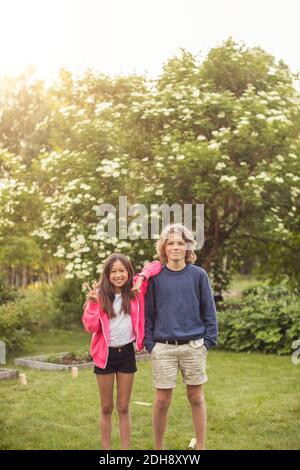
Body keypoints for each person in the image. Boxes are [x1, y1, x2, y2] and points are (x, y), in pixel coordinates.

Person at [144, 224, 218, 450]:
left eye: (180, 243)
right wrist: (150, 344)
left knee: (196, 397)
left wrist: (207, 342)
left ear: (187, 247)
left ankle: (202, 446)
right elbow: (148, 315)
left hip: (194, 346)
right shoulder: (155, 278)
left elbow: (209, 311)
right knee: (162, 400)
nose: (176, 247)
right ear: (163, 248)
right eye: (171, 243)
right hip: (163, 347)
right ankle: (159, 449)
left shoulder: (198, 275)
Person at [82, 253, 161, 450]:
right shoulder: (98, 295)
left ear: (128, 272)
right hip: (105, 355)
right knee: (106, 407)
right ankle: (106, 451)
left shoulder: (135, 290)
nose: (118, 275)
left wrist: (141, 278)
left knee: (124, 406)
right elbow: (91, 327)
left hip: (126, 353)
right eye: (113, 271)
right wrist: (92, 304)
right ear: (107, 274)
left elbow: (156, 265)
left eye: (122, 270)